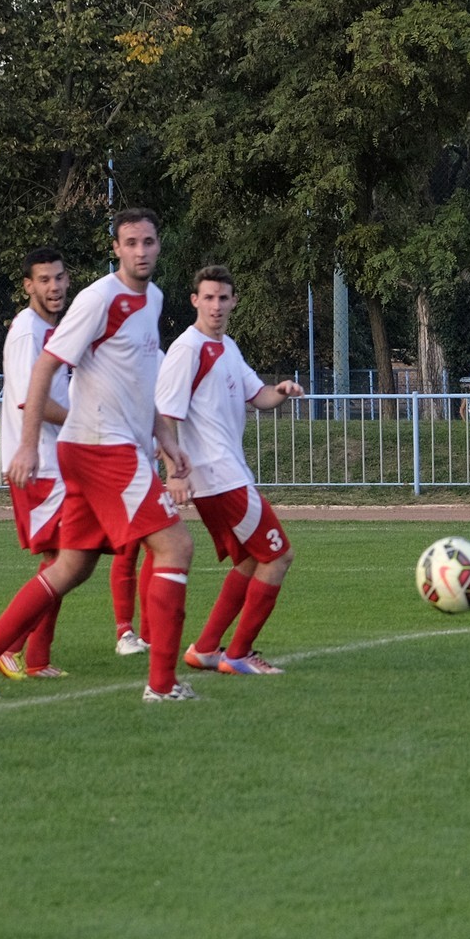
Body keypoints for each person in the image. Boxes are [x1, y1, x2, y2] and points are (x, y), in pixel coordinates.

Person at [0, 207, 199, 702]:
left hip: (96, 447)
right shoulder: (98, 298)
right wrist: (27, 445)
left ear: (159, 245)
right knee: (175, 547)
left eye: (148, 242)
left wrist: (168, 439)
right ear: (116, 249)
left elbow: (141, 383)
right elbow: (45, 368)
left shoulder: (152, 298)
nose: (141, 251)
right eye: (131, 243)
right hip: (101, 447)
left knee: (72, 565)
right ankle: (162, 685)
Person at [157, 265, 303, 675]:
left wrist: (281, 391)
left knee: (252, 561)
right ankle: (238, 654)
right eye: (208, 297)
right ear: (195, 301)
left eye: (223, 298)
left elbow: (258, 396)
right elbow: (165, 414)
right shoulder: (187, 349)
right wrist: (174, 472)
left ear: (234, 301)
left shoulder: (228, 347)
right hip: (217, 476)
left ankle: (206, 649)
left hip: (226, 475)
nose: (216, 306)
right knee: (279, 555)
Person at [0, 247, 78, 681]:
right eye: (44, 279)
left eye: (59, 277)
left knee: (63, 563)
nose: (54, 286)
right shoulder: (28, 331)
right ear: (28, 286)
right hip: (38, 465)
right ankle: (9, 650)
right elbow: (33, 400)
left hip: (54, 462)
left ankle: (35, 657)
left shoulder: (49, 329)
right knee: (65, 562)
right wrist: (85, 423)